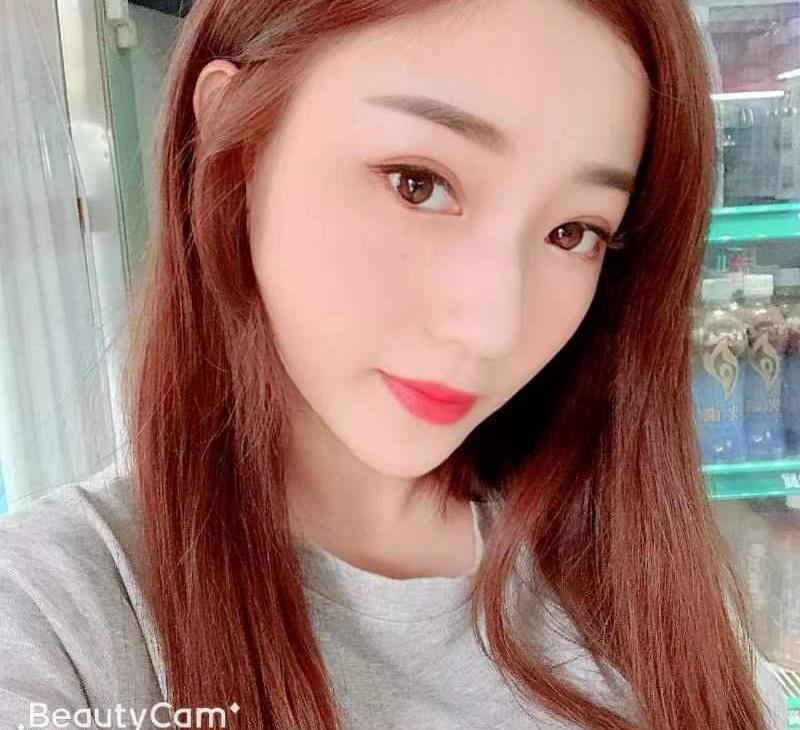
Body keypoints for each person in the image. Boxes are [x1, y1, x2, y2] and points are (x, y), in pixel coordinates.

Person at [0, 0, 789, 728]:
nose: (491, 328)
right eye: (420, 185)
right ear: (235, 146)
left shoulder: (633, 572)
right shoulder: (57, 618)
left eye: (573, 232)